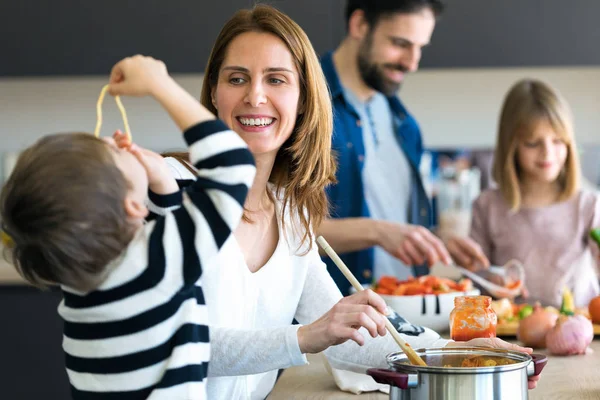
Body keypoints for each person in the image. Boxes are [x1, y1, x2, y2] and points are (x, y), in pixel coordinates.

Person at [158, 5, 540, 399]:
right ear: (215, 94)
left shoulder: (291, 216)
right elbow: (166, 341)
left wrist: (454, 353)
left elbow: (348, 333)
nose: (255, 95)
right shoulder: (170, 189)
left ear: (304, 99)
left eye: (276, 80)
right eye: (237, 78)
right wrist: (304, 337)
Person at [0, 55, 256, 399]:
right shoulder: (154, 267)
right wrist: (160, 85)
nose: (116, 139)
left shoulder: (83, 280)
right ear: (133, 206)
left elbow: (156, 251)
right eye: (115, 154)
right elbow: (234, 165)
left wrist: (164, 187)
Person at [317, 0, 489, 294]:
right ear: (359, 25)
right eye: (400, 43)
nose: (412, 63)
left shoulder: (404, 124)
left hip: (401, 315)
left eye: (420, 47)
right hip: (336, 320)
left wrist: (434, 239)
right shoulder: (304, 107)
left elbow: (395, 220)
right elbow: (284, 233)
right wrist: (378, 232)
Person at [468, 79, 600, 308]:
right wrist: (491, 279)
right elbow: (473, 278)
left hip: (578, 328)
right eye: (532, 143)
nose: (547, 153)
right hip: (511, 333)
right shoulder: (487, 206)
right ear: (511, 146)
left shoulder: (588, 205)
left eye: (558, 141)